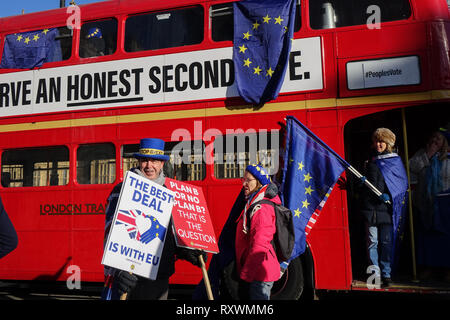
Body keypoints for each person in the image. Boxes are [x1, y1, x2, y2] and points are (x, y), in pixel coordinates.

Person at [102, 138, 206, 300]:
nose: (149, 166)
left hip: (159, 276)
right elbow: (110, 233)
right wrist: (119, 270)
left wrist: (186, 250)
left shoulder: (170, 190)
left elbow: (171, 231)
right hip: (130, 277)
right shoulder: (122, 189)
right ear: (138, 161)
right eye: (145, 160)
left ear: (162, 164)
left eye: (155, 161)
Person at [360, 128, 408, 287]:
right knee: (372, 242)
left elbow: (401, 185)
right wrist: (362, 184)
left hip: (386, 210)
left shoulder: (395, 161)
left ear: (388, 144)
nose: (379, 144)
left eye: (382, 141)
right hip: (370, 210)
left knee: (386, 242)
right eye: (376, 141)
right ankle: (375, 276)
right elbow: (365, 189)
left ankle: (386, 274)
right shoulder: (370, 161)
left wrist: (389, 195)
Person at [235, 164, 280, 300]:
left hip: (260, 272)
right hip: (259, 270)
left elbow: (260, 244)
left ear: (259, 182)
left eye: (248, 180)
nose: (244, 184)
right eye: (243, 179)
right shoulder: (254, 202)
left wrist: (247, 274)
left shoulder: (261, 208)